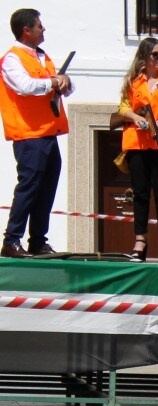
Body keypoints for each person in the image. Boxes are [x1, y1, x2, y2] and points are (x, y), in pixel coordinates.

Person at [0, 8, 70, 258]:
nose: (44, 30)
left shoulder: (43, 56)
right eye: (40, 26)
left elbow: (53, 85)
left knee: (47, 188)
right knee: (29, 187)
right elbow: (25, 86)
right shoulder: (11, 59)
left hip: (48, 132)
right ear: (26, 30)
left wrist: (65, 82)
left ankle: (38, 240)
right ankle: (11, 240)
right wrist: (53, 81)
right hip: (28, 134)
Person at [117, 38, 158, 262]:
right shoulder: (133, 81)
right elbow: (123, 106)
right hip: (138, 142)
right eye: (155, 54)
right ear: (144, 57)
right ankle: (140, 241)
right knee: (140, 193)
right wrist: (135, 117)